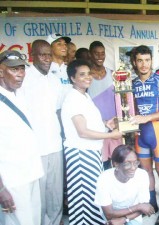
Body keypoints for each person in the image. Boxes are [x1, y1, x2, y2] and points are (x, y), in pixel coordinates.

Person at [61, 59, 122, 225]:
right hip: (81, 155)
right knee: (85, 200)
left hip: (90, 153)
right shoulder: (73, 98)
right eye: (82, 74)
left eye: (89, 73)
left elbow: (89, 123)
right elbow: (83, 132)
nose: (87, 77)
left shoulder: (84, 95)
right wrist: (111, 135)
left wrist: (106, 125)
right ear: (72, 78)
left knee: (90, 198)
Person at [19, 40, 64, 225]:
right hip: (35, 147)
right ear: (32, 56)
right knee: (38, 195)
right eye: (42, 55)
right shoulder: (24, 78)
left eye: (48, 55)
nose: (46, 58)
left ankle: (55, 221)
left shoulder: (53, 79)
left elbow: (59, 110)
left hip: (55, 144)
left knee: (55, 191)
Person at [131, 45, 159, 225]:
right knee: (146, 171)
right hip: (140, 134)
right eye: (140, 60)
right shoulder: (130, 83)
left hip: (157, 131)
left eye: (147, 60)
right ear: (134, 62)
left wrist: (147, 117)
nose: (144, 64)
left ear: (151, 61)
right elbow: (129, 109)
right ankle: (153, 202)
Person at [0, 50, 44, 225]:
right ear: (1, 71)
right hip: (12, 181)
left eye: (21, 69)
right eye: (14, 69)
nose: (20, 74)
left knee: (34, 220)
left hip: (31, 173)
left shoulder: (21, 95)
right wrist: (1, 189)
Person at [95, 145, 155, 225]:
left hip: (133, 215)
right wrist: (138, 207)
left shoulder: (142, 175)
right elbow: (109, 214)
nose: (133, 168)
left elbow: (145, 207)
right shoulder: (104, 179)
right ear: (116, 164)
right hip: (112, 215)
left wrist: (125, 219)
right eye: (128, 163)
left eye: (135, 163)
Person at [88, 41, 122, 170]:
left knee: (116, 163)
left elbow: (121, 100)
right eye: (96, 54)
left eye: (102, 53)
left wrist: (119, 121)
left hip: (114, 126)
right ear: (90, 55)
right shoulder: (87, 77)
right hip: (97, 127)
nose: (100, 56)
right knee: (101, 165)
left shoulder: (113, 74)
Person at [46, 33, 72, 100]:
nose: (64, 47)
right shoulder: (46, 70)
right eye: (59, 44)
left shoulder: (70, 69)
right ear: (50, 48)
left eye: (65, 44)